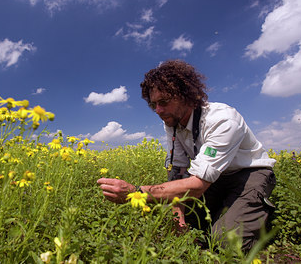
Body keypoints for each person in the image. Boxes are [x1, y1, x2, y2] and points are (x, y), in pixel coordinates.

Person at [97, 59, 276, 252]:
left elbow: (197, 186)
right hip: (215, 179)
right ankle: (228, 209)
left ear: (187, 96)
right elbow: (179, 172)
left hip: (248, 174)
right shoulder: (172, 123)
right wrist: (178, 218)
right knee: (186, 223)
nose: (158, 110)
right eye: (153, 104)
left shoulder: (222, 120)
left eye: (164, 102)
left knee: (225, 241)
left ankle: (259, 213)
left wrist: (136, 191)